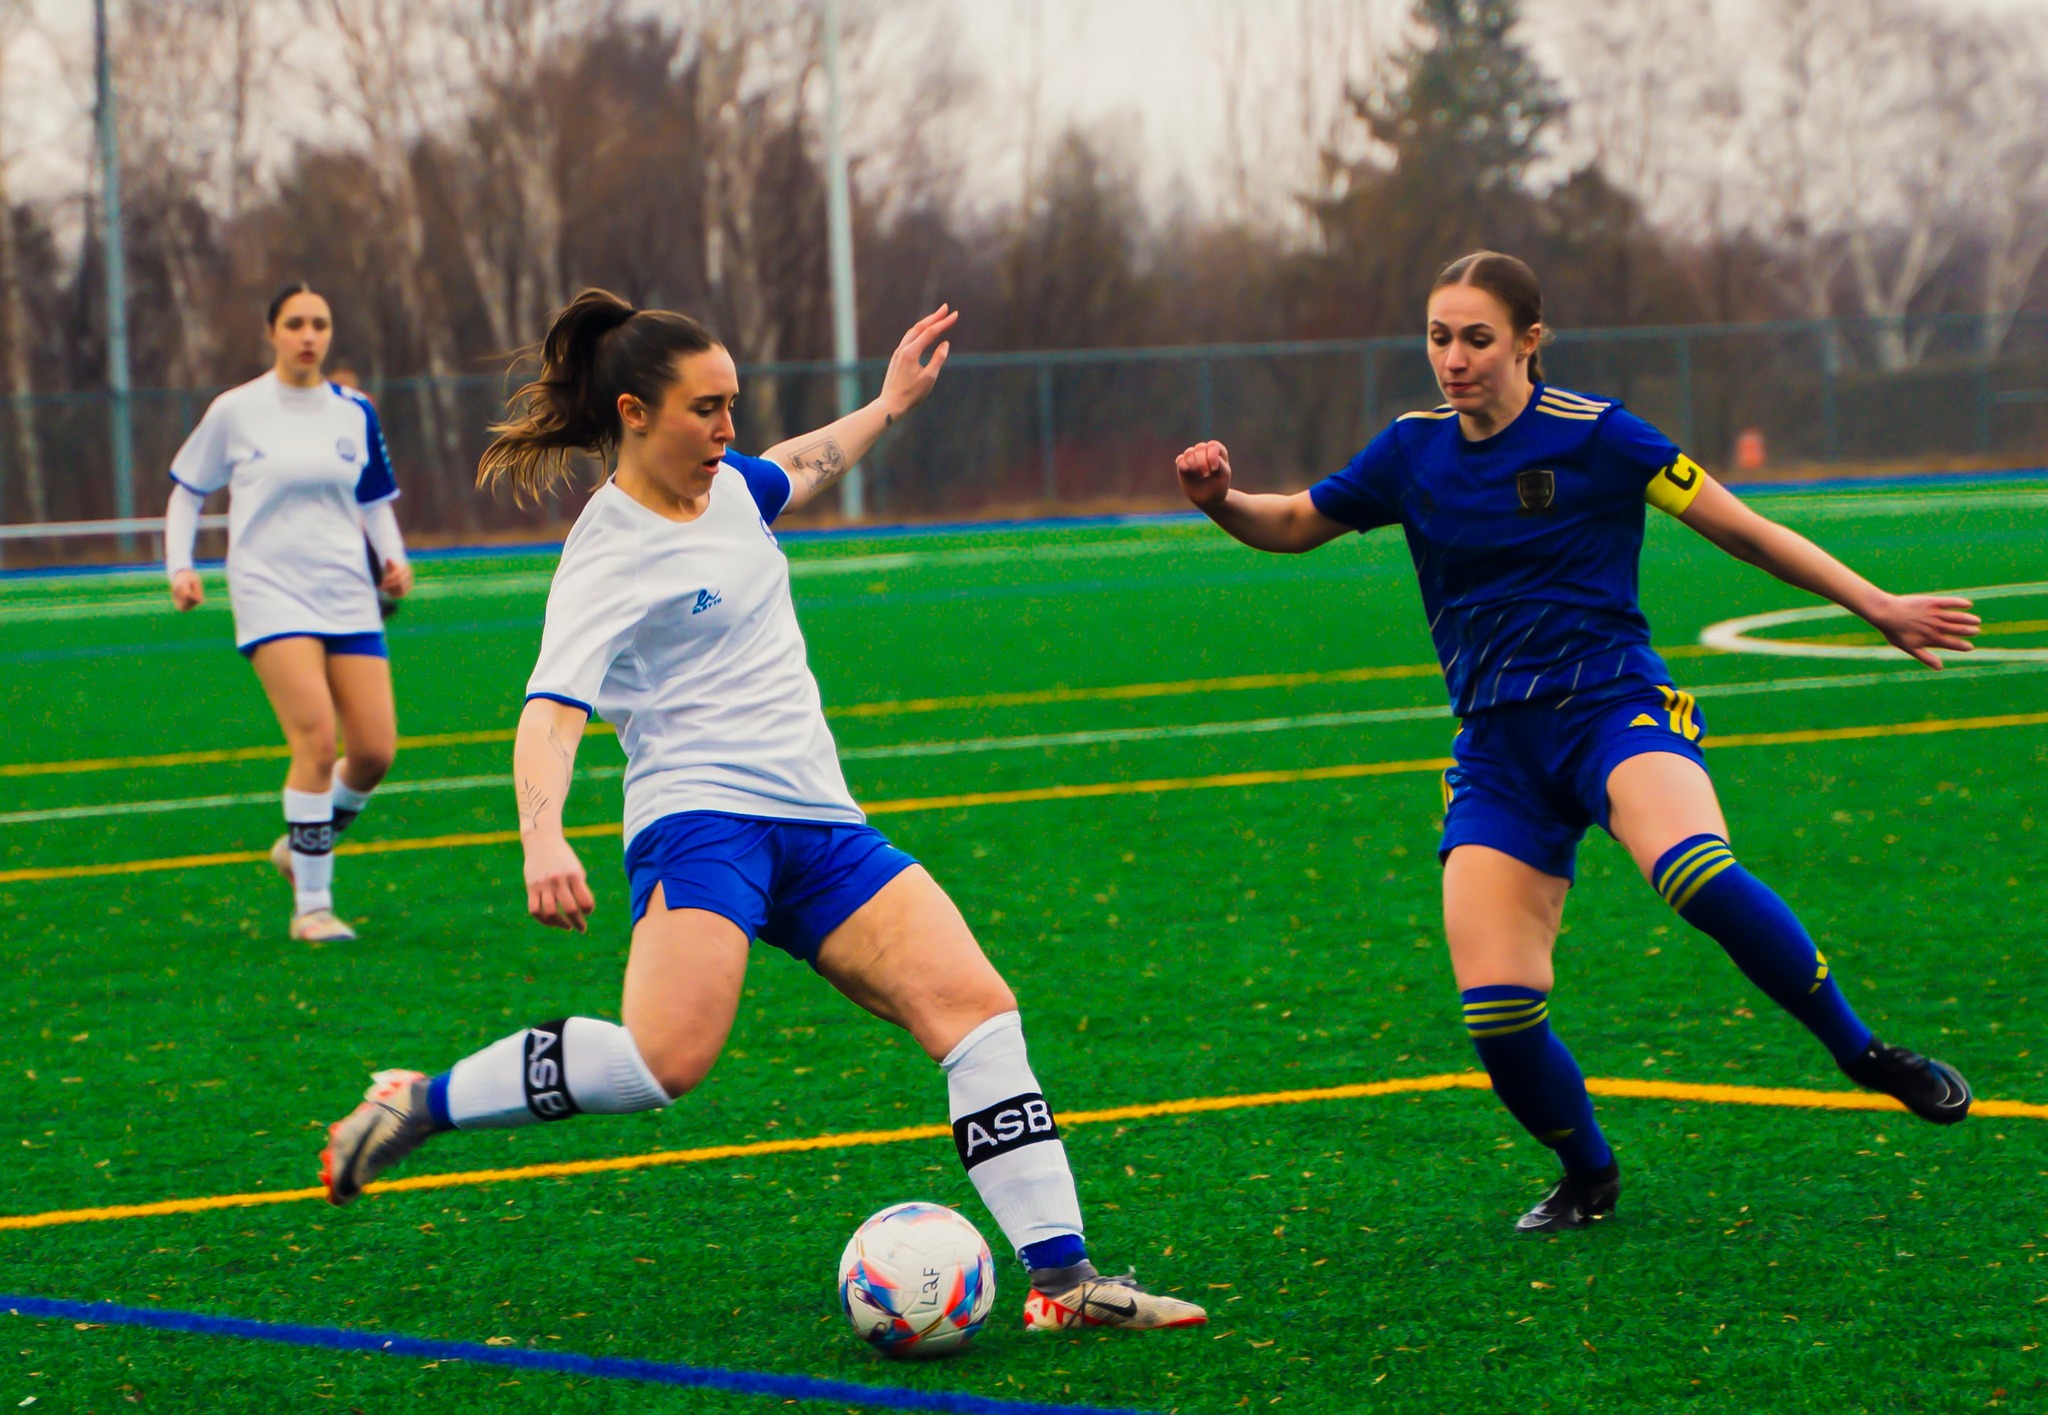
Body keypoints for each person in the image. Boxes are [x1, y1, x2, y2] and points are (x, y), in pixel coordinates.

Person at [319, 289, 1206, 1333]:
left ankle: (1065, 1283)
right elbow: (550, 713)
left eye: (732, 404)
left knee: (978, 1014)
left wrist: (888, 403)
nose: (727, 428)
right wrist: (541, 833)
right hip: (700, 823)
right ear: (635, 412)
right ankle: (416, 1101)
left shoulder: (730, 487)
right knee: (662, 1060)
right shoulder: (607, 552)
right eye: (706, 408)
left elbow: (806, 457)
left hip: (822, 824)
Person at [1173, 250, 1978, 1234]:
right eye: (1438, 337)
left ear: (1527, 341)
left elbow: (1743, 529)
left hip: (1611, 711)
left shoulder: (1596, 435)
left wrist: (1874, 603)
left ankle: (1862, 1052)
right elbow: (1293, 520)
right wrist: (1219, 499)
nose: (1454, 358)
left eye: (1476, 337)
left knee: (1694, 872)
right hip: (1498, 756)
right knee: (1497, 1019)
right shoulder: (1407, 451)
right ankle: (1586, 1170)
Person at [165, 283, 414, 942]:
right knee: (315, 741)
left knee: (373, 751)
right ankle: (313, 905)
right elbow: (188, 491)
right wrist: (180, 566)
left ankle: (298, 845)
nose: (309, 335)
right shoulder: (237, 410)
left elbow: (373, 499)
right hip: (270, 589)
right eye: (296, 323)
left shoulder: (354, 411)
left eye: (320, 324)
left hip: (347, 593)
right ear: (272, 331)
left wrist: (394, 557)